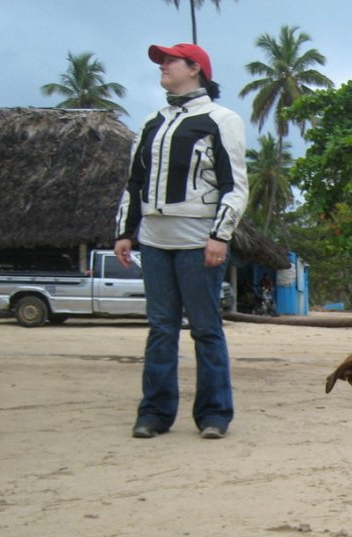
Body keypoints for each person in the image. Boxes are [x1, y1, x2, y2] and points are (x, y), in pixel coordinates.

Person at [114, 42, 248, 440]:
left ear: (195, 68)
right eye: (162, 62)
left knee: (206, 330)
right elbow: (134, 182)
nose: (163, 67)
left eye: (170, 61)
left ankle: (214, 414)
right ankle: (154, 413)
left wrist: (219, 236)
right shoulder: (152, 122)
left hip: (197, 240)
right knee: (160, 328)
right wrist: (125, 231)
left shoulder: (221, 119)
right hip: (154, 240)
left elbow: (235, 186)